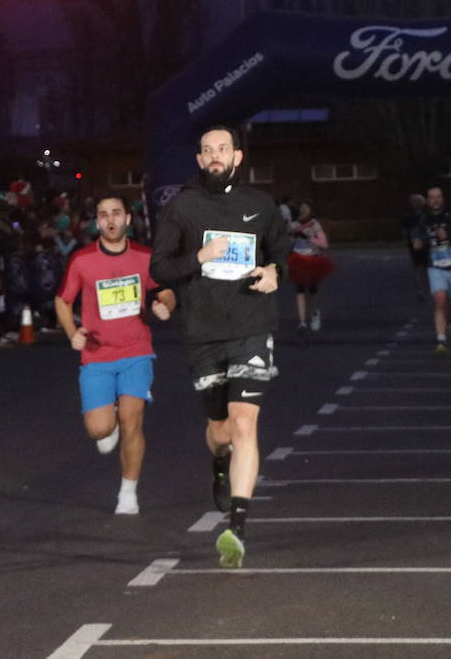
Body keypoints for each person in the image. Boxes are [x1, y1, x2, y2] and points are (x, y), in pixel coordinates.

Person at [150, 125, 288, 570]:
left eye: (222, 149)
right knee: (222, 431)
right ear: (198, 159)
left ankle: (238, 527)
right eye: (207, 150)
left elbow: (281, 253)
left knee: (245, 423)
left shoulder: (260, 205)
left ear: (238, 156)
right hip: (204, 330)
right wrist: (201, 258)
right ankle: (220, 464)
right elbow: (160, 268)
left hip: (252, 324)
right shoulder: (183, 206)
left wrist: (274, 274)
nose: (214, 156)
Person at [55, 195, 176, 515]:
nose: (110, 220)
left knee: (132, 421)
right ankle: (110, 426)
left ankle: (128, 491)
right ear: (97, 222)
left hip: (136, 351)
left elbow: (166, 290)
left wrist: (166, 305)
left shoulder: (145, 257)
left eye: (116, 213)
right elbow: (63, 301)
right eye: (103, 214)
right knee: (99, 429)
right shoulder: (82, 260)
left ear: (127, 220)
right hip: (96, 355)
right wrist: (73, 333)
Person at [412, 186, 451, 354]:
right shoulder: (424, 218)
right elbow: (418, 236)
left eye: (438, 197)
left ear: (443, 199)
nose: (435, 200)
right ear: (427, 200)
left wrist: (449, 235)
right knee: (440, 300)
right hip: (436, 267)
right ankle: (441, 339)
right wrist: (418, 243)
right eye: (431, 197)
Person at [287, 201, 334, 334]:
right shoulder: (293, 225)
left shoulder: (314, 224)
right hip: (297, 259)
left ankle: (315, 313)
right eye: (301, 208)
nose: (303, 210)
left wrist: (309, 237)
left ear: (311, 211)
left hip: (312, 259)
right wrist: (292, 236)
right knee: (300, 289)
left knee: (312, 290)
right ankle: (302, 322)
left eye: (306, 208)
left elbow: (324, 244)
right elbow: (288, 242)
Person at [401, 193, 429, 302]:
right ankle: (420, 289)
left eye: (419, 201)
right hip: (416, 240)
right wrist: (406, 239)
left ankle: (429, 287)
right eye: (414, 201)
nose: (416, 203)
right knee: (418, 265)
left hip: (427, 240)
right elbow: (405, 229)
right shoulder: (408, 215)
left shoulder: (428, 213)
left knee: (428, 265)